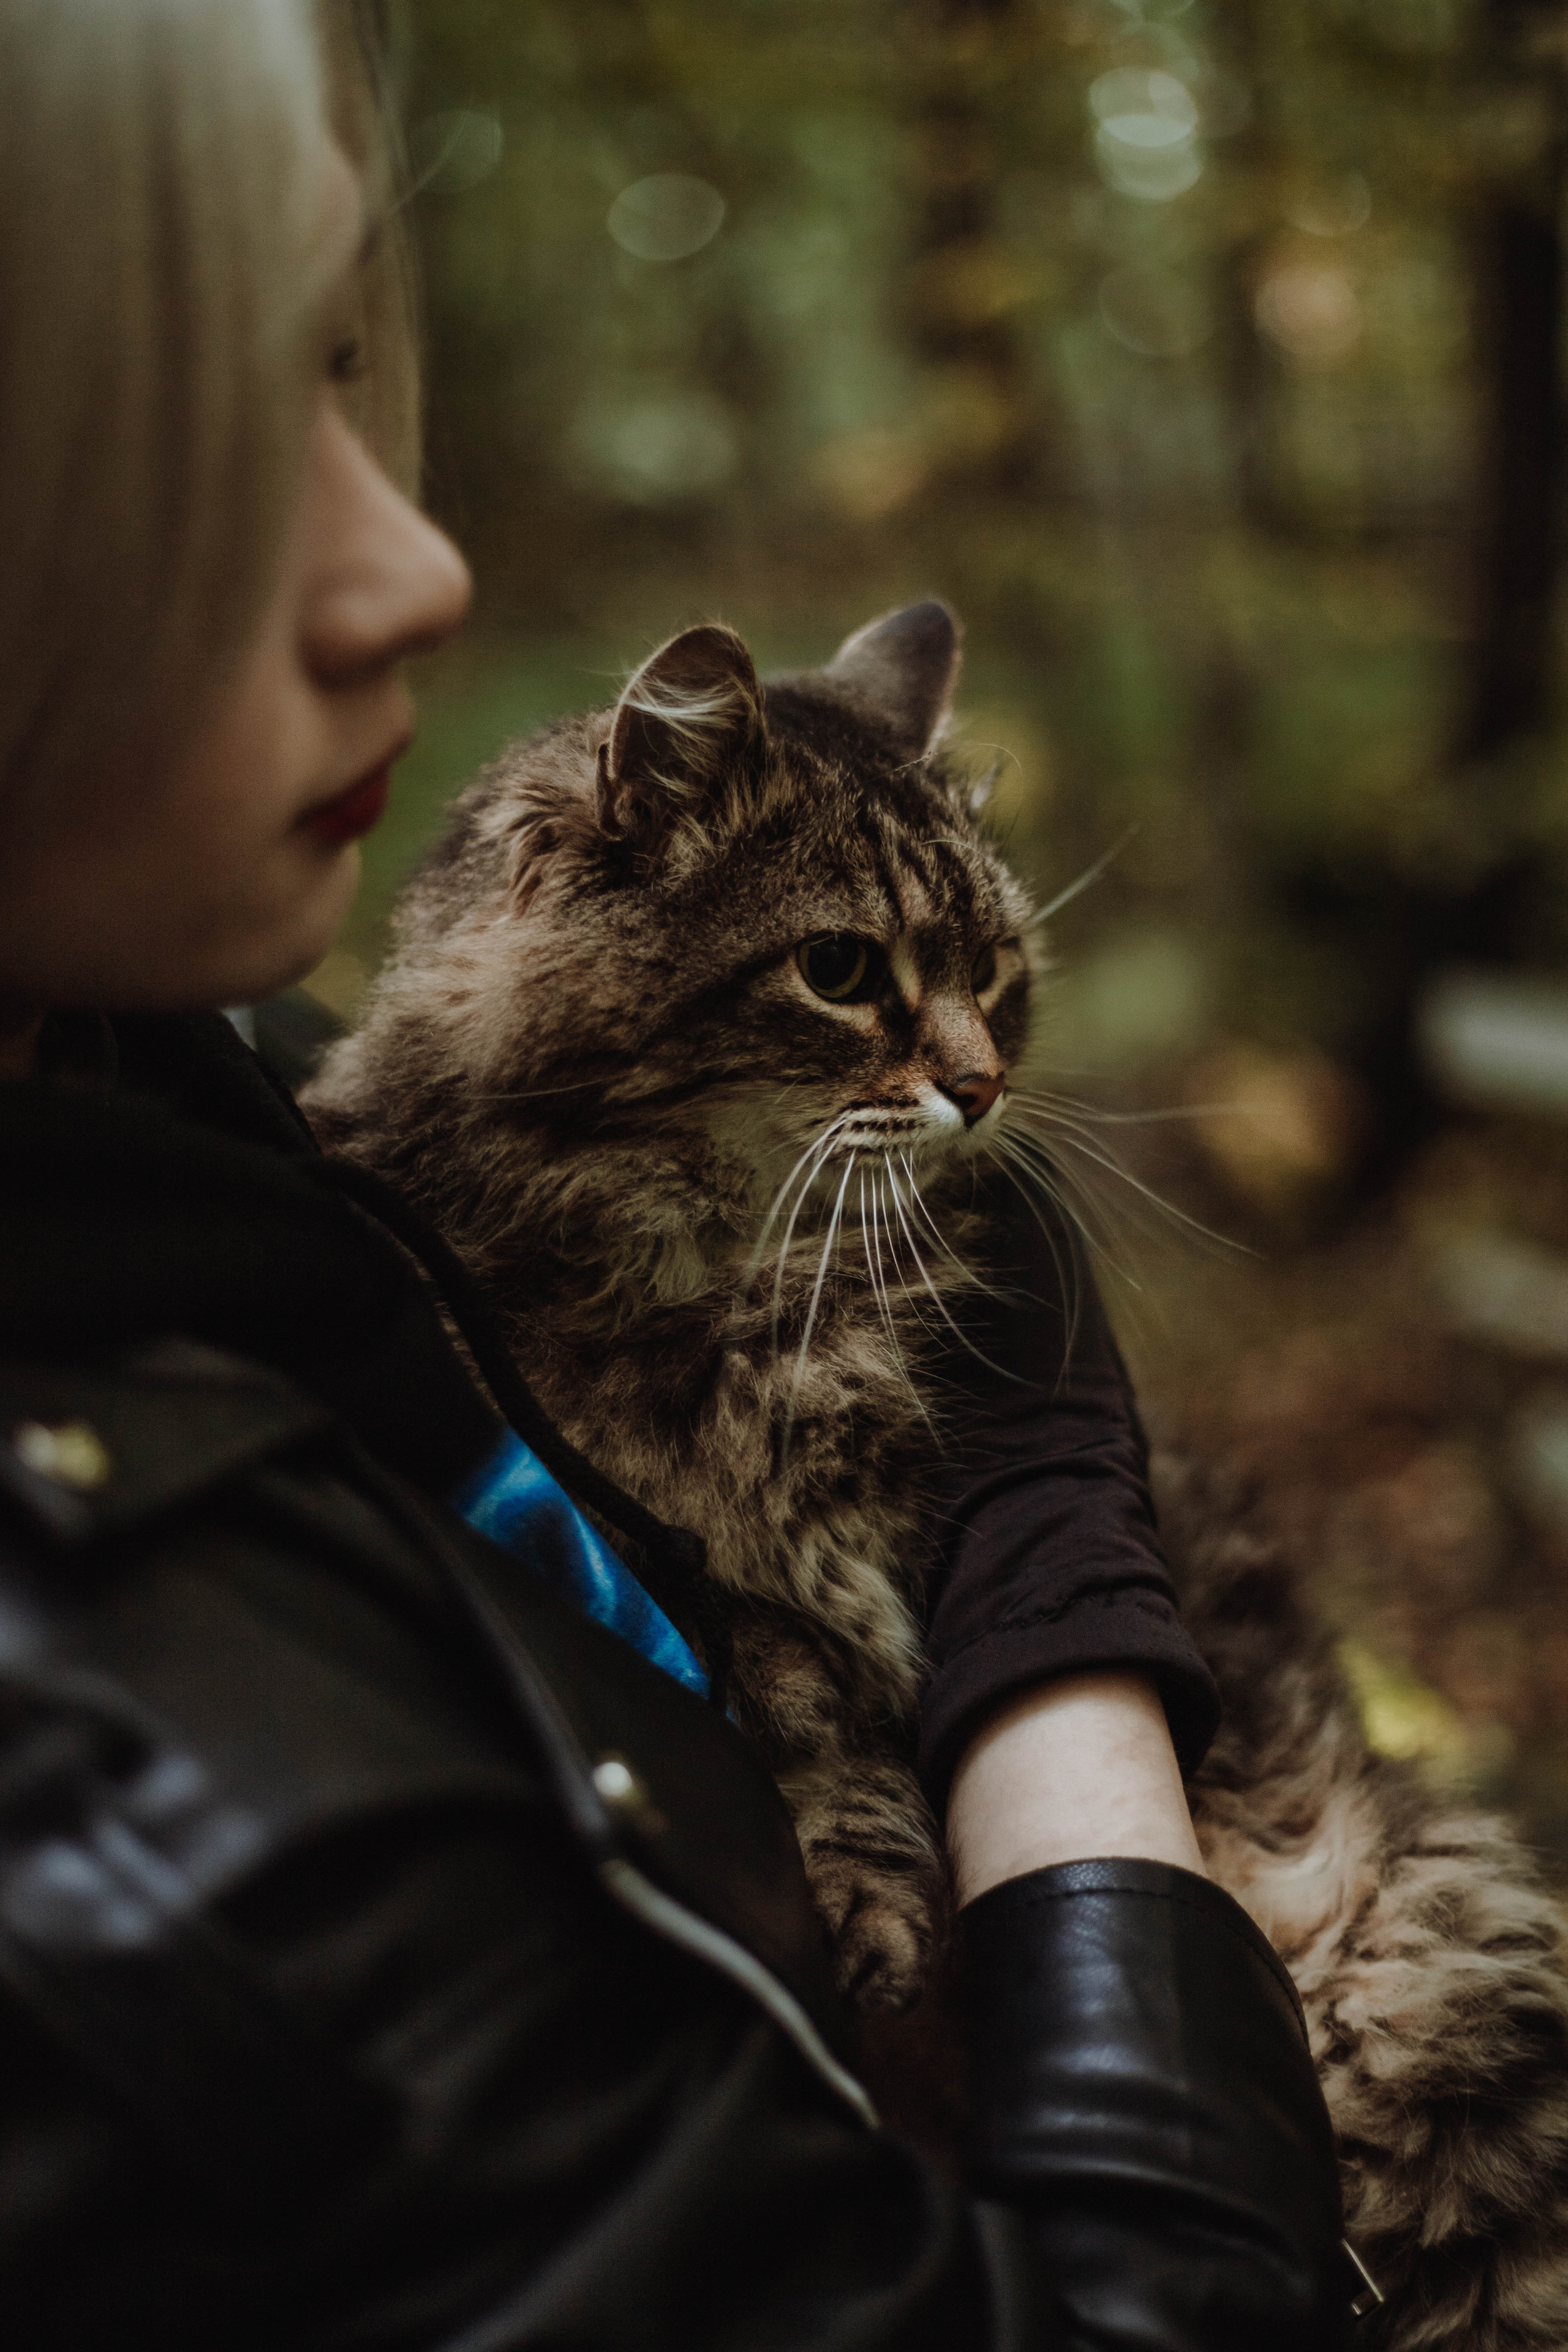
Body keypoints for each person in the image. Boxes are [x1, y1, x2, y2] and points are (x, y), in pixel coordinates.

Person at [0, 2, 1351, 2343]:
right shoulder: (141, 1817)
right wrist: (1068, 1668)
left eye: (347, 359)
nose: (414, 565)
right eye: (194, 422)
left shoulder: (187, 1112)